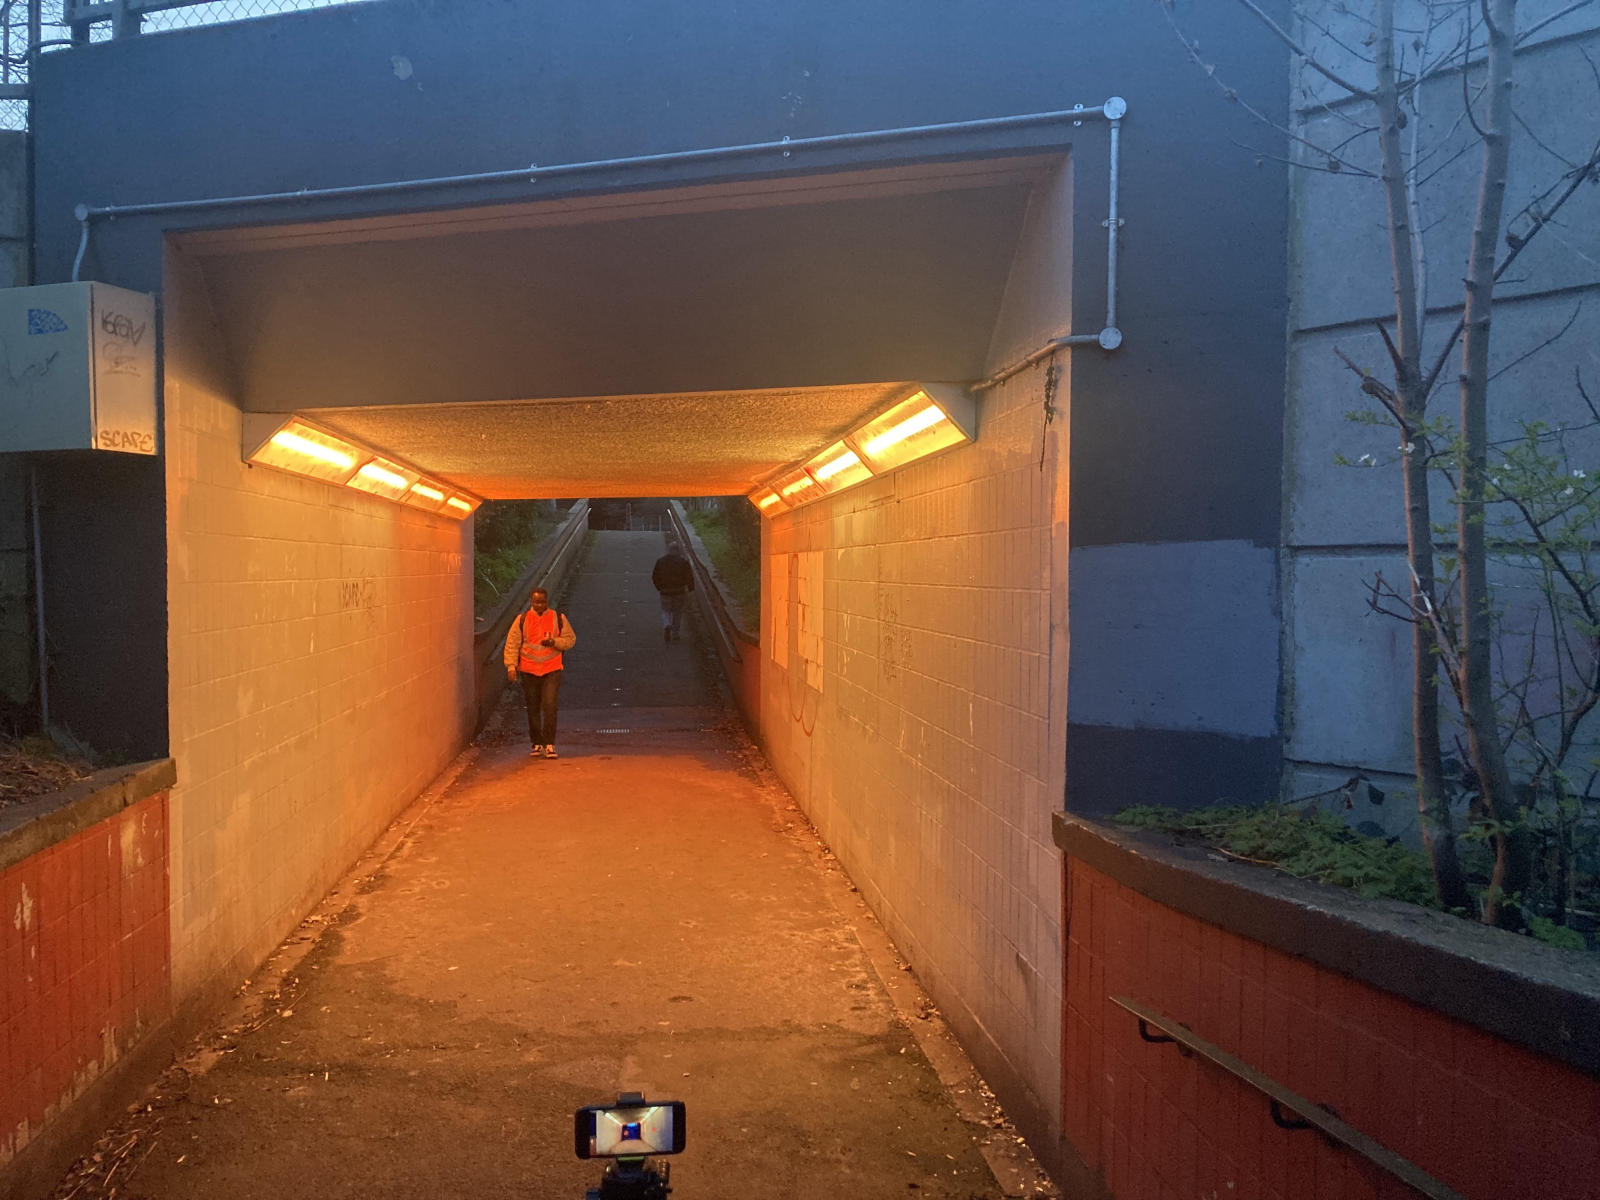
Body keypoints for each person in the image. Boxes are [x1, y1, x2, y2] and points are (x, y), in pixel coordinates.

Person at [504, 586, 576, 758]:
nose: (539, 605)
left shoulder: (557, 618)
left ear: (546, 601)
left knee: (549, 705)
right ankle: (537, 743)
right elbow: (512, 643)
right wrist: (511, 666)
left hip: (551, 669)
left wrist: (554, 642)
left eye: (542, 602)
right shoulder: (522, 620)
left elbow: (570, 639)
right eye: (536, 602)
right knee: (533, 707)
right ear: (531, 602)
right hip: (529, 670)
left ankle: (549, 744)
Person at [651, 539, 695, 643]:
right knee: (677, 612)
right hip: (679, 591)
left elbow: (655, 576)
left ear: (668, 550)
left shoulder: (660, 561)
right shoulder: (683, 562)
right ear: (678, 550)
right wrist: (690, 588)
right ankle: (675, 634)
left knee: (666, 610)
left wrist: (659, 587)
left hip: (665, 591)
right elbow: (689, 576)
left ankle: (667, 625)